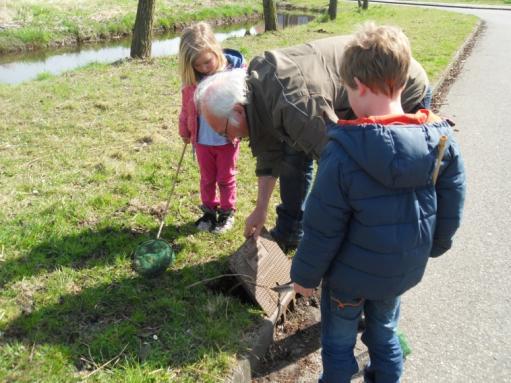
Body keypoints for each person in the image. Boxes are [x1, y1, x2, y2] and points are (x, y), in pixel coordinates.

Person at [289, 22, 466, 382]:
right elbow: (453, 198)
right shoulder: (440, 140)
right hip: (402, 269)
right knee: (384, 329)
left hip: (348, 279)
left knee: (338, 341)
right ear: (402, 80)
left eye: (347, 89)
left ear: (360, 87)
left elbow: (322, 225)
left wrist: (304, 276)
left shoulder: (342, 152)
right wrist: (438, 243)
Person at [194, 34, 432, 251]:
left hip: (398, 86)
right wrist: (261, 209)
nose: (229, 139)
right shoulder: (257, 88)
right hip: (348, 96)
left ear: (237, 111)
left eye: (224, 132)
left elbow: (341, 169)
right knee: (293, 153)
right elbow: (269, 149)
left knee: (379, 170)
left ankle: (382, 245)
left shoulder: (298, 108)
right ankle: (291, 232)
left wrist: (320, 246)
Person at [178, 22, 245, 233]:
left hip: (226, 139)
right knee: (207, 178)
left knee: (226, 177)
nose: (204, 68)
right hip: (202, 141)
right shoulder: (192, 81)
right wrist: (185, 129)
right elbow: (186, 107)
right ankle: (209, 211)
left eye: (207, 62)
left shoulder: (235, 73)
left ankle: (227, 212)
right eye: (197, 65)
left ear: (216, 50)